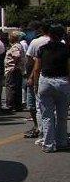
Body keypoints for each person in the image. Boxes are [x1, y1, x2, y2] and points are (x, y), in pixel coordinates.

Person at [29, 24, 69, 153]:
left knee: (47, 115)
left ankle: (48, 144)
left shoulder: (42, 49)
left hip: (45, 82)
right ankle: (62, 142)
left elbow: (36, 69)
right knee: (62, 115)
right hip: (62, 82)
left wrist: (35, 84)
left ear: (49, 35)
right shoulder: (66, 49)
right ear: (62, 35)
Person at [24, 23, 50, 138]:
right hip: (57, 77)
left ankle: (39, 129)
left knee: (35, 105)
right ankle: (51, 131)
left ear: (41, 29)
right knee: (51, 107)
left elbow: (30, 62)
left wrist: (30, 77)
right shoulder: (62, 43)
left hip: (38, 76)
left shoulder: (35, 42)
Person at [3, 31, 26, 112]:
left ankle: (10, 105)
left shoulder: (15, 47)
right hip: (18, 69)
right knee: (17, 87)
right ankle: (17, 105)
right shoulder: (19, 45)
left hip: (12, 69)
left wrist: (14, 65)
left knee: (10, 87)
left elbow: (16, 56)